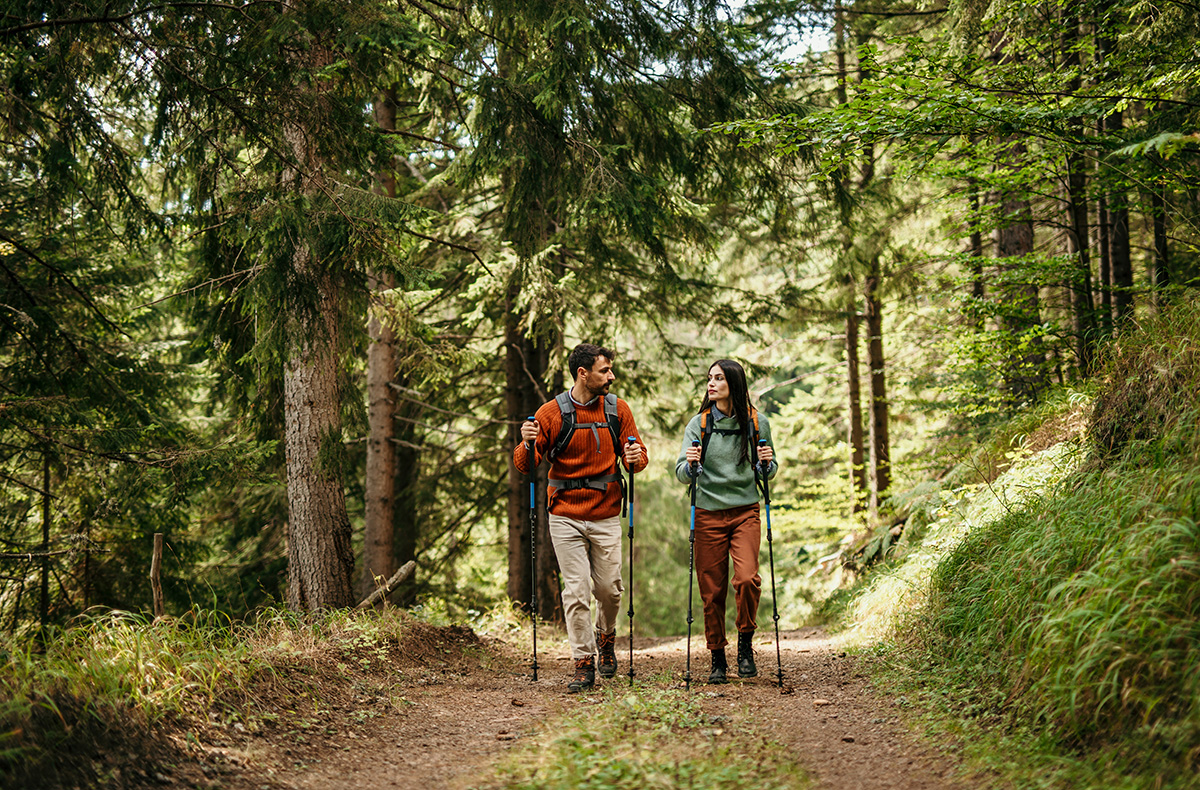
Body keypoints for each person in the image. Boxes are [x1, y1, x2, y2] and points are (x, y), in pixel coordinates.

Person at [514, 343, 648, 692]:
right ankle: (583, 661)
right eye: (605, 370)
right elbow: (526, 464)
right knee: (575, 591)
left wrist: (634, 455)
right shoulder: (552, 413)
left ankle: (606, 638)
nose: (611, 376)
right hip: (564, 515)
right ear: (582, 374)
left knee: (609, 591)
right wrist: (526, 442)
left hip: (605, 513)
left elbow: (637, 460)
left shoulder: (618, 409)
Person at [675, 359, 777, 684]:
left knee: (747, 578)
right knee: (712, 590)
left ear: (733, 382)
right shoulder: (699, 424)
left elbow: (769, 470)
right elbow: (681, 474)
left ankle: (745, 643)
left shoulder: (756, 423)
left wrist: (767, 463)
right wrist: (691, 465)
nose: (711, 383)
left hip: (746, 510)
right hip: (707, 513)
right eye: (709, 378)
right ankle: (717, 656)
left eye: (718, 378)